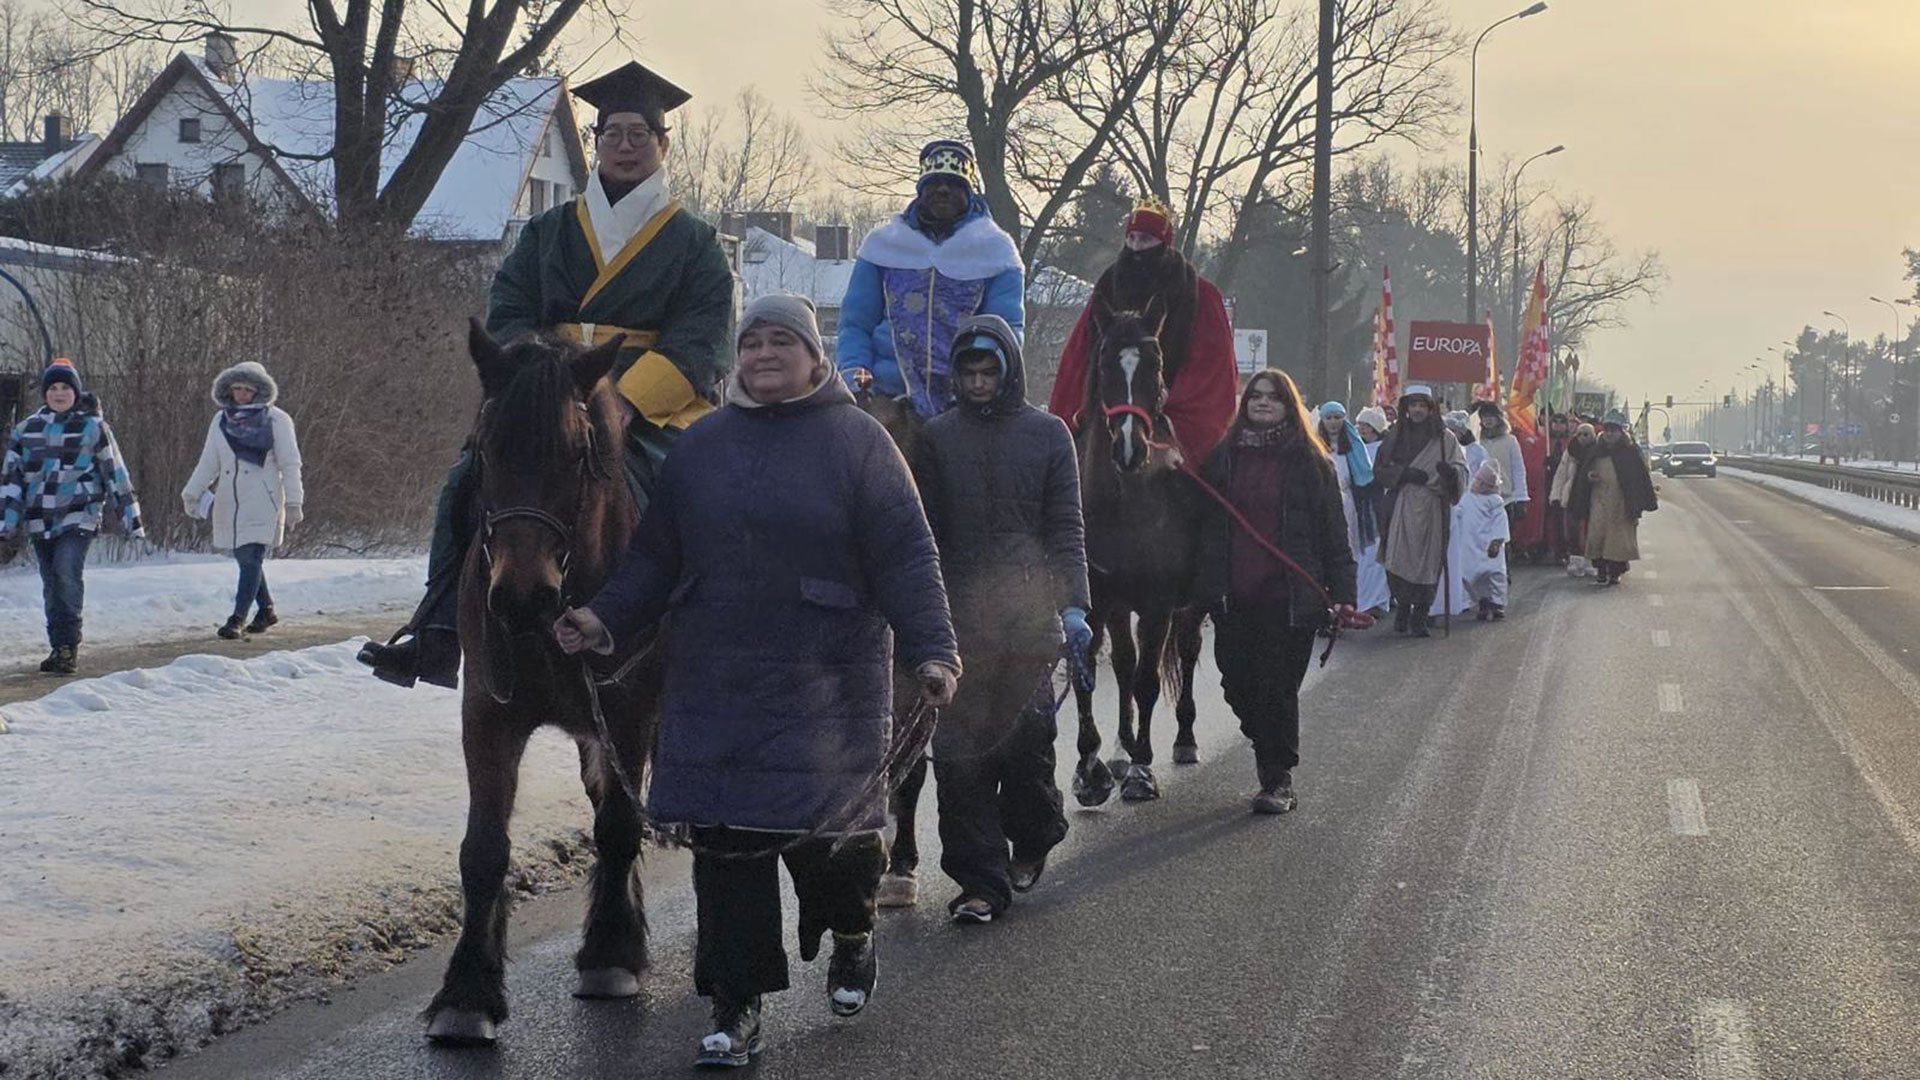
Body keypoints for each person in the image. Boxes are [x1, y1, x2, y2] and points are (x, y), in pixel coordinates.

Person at [552, 295, 960, 1069]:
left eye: (782, 341)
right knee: (726, 854)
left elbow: (908, 556)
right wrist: (603, 620)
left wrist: (934, 651)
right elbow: (654, 559)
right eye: (752, 343)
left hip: (827, 687)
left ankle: (853, 931)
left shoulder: (861, 443)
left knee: (834, 850)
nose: (764, 354)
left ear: (815, 357)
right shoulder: (701, 446)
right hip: (716, 684)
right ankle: (735, 1005)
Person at [359, 61, 735, 689]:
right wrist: (542, 385)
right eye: (612, 133)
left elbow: (702, 342)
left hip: (650, 410)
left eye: (639, 134)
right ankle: (437, 629)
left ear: (663, 145)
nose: (625, 146)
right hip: (549, 398)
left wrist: (623, 400)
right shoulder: (547, 231)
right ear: (597, 142)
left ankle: (709, 637)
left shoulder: (695, 244)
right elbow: (509, 313)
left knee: (703, 495)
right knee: (464, 482)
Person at [913, 314, 1088, 924]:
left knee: (1026, 746)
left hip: (1029, 621)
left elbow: (1065, 527)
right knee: (959, 758)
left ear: (1008, 371)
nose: (979, 382)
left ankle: (1035, 835)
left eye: (989, 371)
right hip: (959, 623)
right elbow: (925, 534)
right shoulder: (937, 437)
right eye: (969, 372)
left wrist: (1074, 605)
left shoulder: (1049, 434)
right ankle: (979, 883)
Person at [1194, 370, 1357, 814]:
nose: (1262, 403)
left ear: (1289, 406)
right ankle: (1268, 745)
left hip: (1289, 600)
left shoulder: (1311, 463)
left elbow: (1334, 535)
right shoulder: (1222, 459)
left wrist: (1343, 593)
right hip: (1234, 598)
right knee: (1236, 683)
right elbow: (1197, 511)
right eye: (1255, 396)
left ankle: (1277, 777)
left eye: (1274, 397)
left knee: (1277, 690)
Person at [836, 140, 1024, 418]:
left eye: (954, 183)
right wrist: (856, 379)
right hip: (887, 396)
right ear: (921, 189)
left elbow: (1006, 331)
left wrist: (981, 381)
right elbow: (856, 323)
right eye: (934, 183)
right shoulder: (882, 246)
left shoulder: (996, 251)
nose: (943, 190)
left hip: (966, 402)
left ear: (968, 191)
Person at [1047, 198, 1240, 463]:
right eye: (1132, 238)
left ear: (1164, 243)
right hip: (1109, 408)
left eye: (1146, 240)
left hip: (1173, 409)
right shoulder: (1108, 287)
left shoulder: (1199, 294)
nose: (1136, 247)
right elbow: (1079, 357)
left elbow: (1213, 368)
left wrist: (1172, 420)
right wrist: (1074, 414)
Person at [0, 359, 145, 675]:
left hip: (79, 515)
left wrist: (130, 518)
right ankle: (58, 645)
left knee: (66, 572)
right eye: (53, 387)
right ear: (45, 393)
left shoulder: (93, 428)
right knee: (51, 583)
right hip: (40, 519)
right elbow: (12, 481)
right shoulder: (26, 431)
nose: (59, 393)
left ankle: (68, 646)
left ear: (76, 392)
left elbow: (115, 473)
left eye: (65, 387)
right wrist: (6, 523)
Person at [180, 362, 305, 640]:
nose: (241, 394)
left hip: (263, 498)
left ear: (259, 391)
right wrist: (192, 492)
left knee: (251, 557)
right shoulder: (221, 420)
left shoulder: (276, 420)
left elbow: (290, 463)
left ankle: (237, 617)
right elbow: (209, 461)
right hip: (230, 500)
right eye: (237, 388)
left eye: (248, 389)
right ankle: (266, 609)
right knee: (245, 557)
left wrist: (294, 502)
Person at [1372, 385, 1467, 638]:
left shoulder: (1445, 439)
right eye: (1413, 405)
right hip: (1401, 504)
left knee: (1429, 561)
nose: (1417, 410)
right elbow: (1380, 469)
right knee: (1396, 559)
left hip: (1432, 506)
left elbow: (1460, 469)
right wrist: (1403, 473)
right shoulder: (1395, 435)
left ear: (1430, 409)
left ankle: (1421, 615)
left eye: (1422, 405)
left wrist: (1451, 475)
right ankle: (1403, 606)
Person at [1569, 410, 1658, 587]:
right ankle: (1601, 570)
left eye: (1614, 430)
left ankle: (1615, 572)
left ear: (1620, 432)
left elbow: (1639, 478)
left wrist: (1640, 501)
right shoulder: (1595, 450)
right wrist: (1589, 476)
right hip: (1598, 501)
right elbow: (1582, 468)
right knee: (1598, 536)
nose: (1610, 434)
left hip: (1621, 503)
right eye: (1607, 430)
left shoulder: (1629, 452)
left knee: (1618, 539)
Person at [1316, 402, 1379, 611]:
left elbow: (1363, 474)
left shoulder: (1353, 446)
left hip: (1347, 503)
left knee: (1347, 549)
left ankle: (1348, 600)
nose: (1333, 423)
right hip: (1322, 505)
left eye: (1337, 417)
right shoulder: (1315, 445)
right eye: (1329, 418)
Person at [1351, 405, 1393, 614]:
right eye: (1360, 425)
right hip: (1358, 505)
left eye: (1366, 425)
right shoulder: (1355, 447)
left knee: (1375, 555)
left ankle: (1378, 600)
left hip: (1377, 505)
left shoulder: (1384, 448)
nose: (1362, 429)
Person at [1460, 460, 1511, 620]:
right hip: (1471, 544)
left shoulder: (1495, 502)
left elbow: (1500, 522)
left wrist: (1497, 541)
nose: (1476, 484)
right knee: (1472, 576)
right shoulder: (1466, 498)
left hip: (1489, 545)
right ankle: (1482, 602)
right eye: (1476, 480)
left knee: (1495, 575)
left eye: (1480, 482)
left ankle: (1497, 603)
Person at [1550, 422, 1598, 577]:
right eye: (1579, 434)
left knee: (1592, 530)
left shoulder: (1599, 451)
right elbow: (1561, 474)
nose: (1582, 437)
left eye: (1586, 434)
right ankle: (1575, 561)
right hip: (1573, 495)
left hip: (1593, 495)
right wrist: (1556, 495)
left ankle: (1591, 561)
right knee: (1572, 530)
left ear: (1593, 436)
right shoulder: (1570, 452)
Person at [1474, 401, 1531, 524]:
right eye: (1484, 417)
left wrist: (1521, 497)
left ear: (1498, 418)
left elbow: (1518, 470)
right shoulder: (1478, 443)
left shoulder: (1510, 441)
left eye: (1491, 416)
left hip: (1505, 500)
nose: (1488, 420)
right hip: (1481, 500)